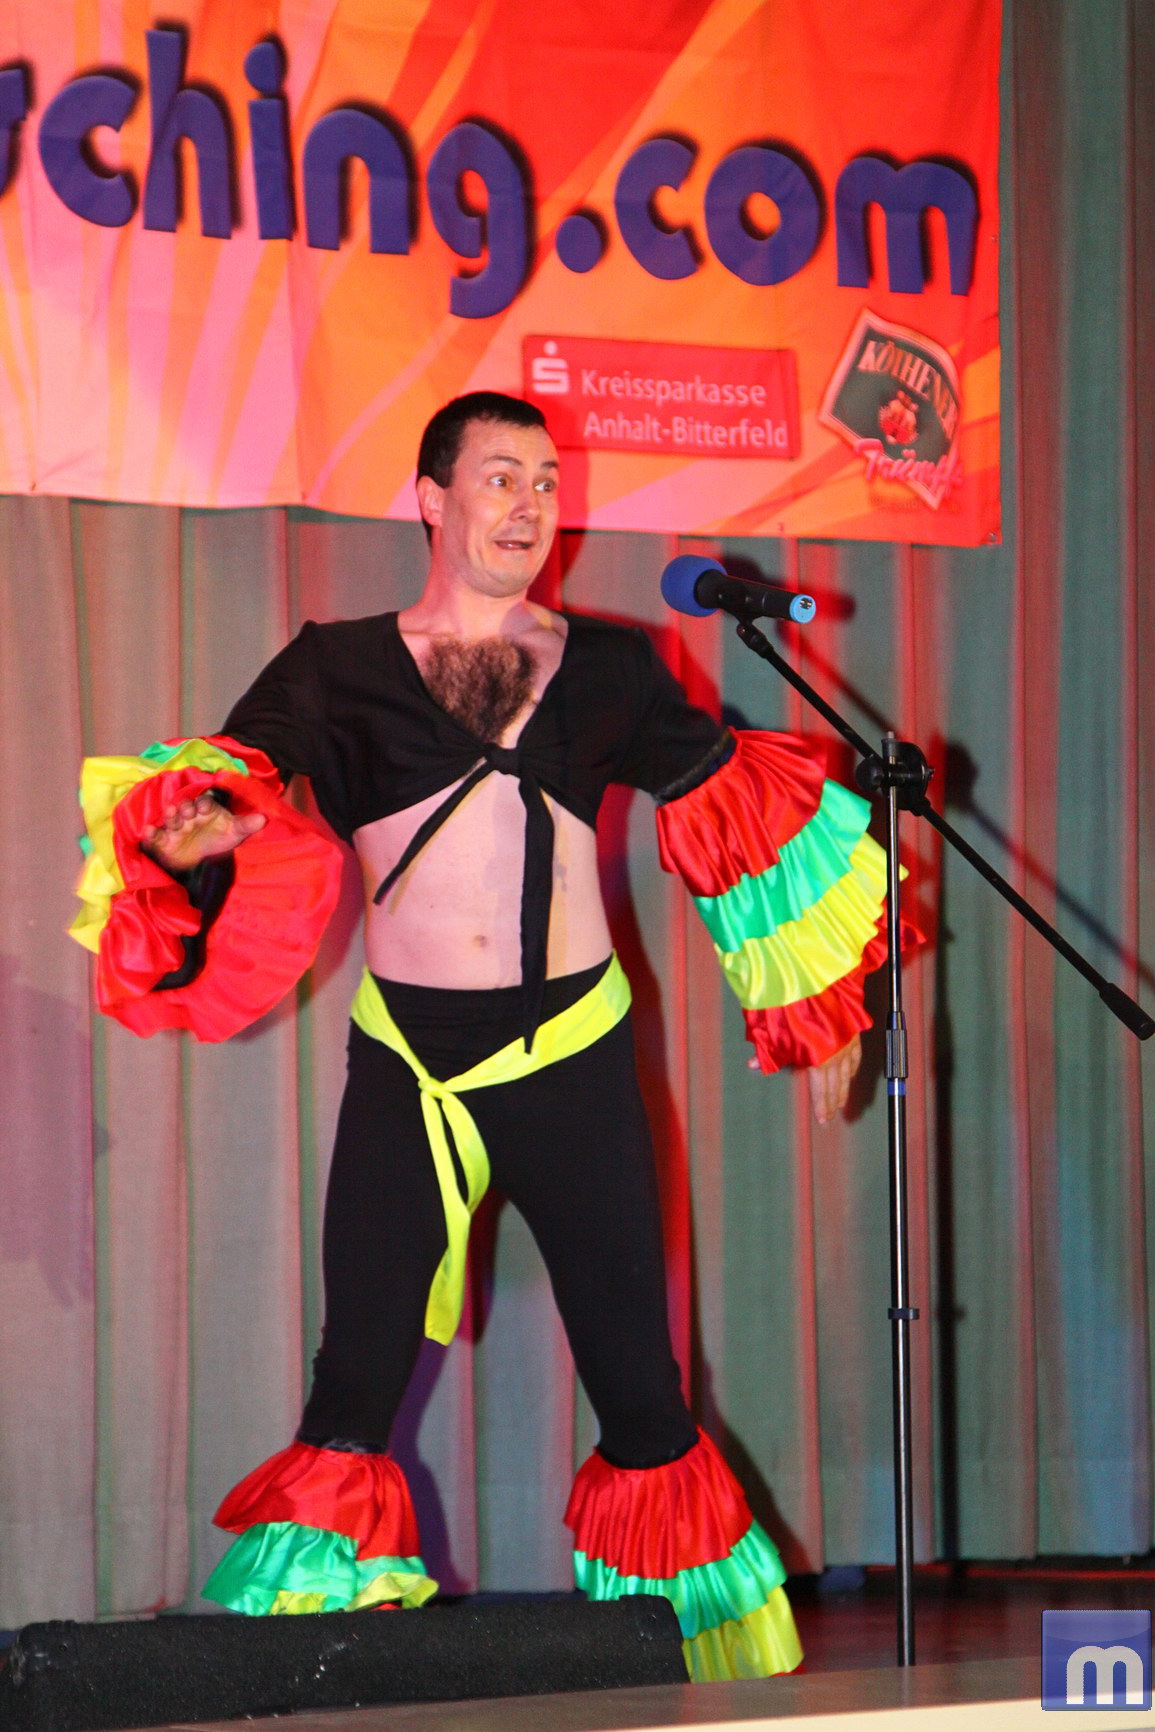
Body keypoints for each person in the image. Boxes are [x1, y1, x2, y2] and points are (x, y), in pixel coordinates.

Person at [71, 392, 887, 1682]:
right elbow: (237, 782)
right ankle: (315, 1676)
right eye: (501, 477)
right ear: (431, 499)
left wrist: (826, 1000)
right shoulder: (335, 667)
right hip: (411, 1064)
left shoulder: (611, 666)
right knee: (355, 1379)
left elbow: (737, 811)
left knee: (641, 1384)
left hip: (574, 1058)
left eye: (547, 482)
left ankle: (698, 1674)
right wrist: (201, 829)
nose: (529, 504)